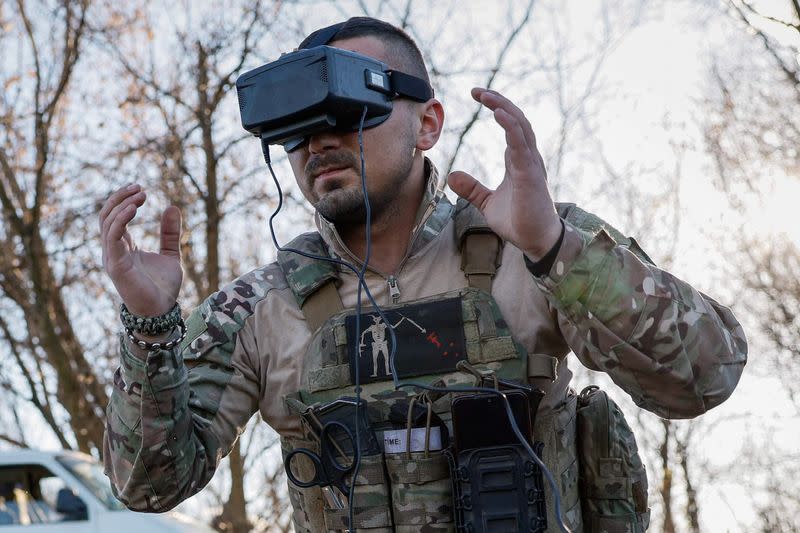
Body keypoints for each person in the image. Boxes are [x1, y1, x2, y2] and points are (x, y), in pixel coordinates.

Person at [100, 16, 747, 533]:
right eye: (299, 128)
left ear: (427, 123)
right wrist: (152, 329)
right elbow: (148, 484)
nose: (320, 141)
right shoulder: (259, 309)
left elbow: (703, 376)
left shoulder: (528, 246)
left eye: (350, 110)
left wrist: (556, 250)